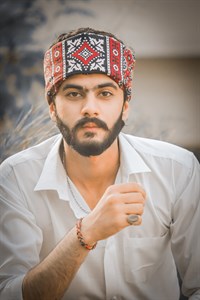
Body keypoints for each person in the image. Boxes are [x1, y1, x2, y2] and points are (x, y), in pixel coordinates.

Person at [0, 27, 199, 300]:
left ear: (125, 106)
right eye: (73, 94)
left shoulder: (178, 170)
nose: (89, 108)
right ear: (52, 107)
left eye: (105, 93)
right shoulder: (15, 178)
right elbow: (10, 294)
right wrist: (86, 233)